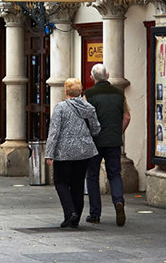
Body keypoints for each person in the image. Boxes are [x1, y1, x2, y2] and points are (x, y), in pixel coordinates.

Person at [45, 78, 101, 228]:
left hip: (64, 151)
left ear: (66, 91)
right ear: (80, 91)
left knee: (60, 182)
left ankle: (70, 212)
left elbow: (54, 132)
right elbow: (96, 129)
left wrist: (49, 153)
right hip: (84, 151)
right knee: (77, 183)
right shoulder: (89, 107)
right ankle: (75, 219)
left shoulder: (60, 108)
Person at [83, 63, 131, 227]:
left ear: (92, 77)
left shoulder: (88, 95)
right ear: (108, 75)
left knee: (93, 176)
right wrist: (118, 132)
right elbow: (127, 117)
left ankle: (95, 214)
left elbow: (85, 119)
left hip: (95, 142)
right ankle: (118, 202)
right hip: (114, 141)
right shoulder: (119, 94)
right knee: (114, 174)